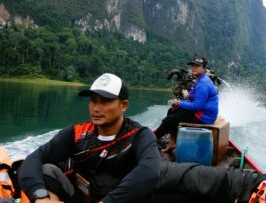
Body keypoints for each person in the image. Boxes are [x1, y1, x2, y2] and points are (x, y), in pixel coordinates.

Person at [18, 73, 161, 203]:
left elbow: (149, 171)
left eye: (105, 101)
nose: (96, 108)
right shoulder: (77, 133)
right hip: (83, 198)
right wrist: (41, 197)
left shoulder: (139, 135)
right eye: (93, 100)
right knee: (45, 170)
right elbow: (34, 159)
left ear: (123, 105)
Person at [154, 57, 219, 149]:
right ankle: (173, 142)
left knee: (169, 120)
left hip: (204, 116)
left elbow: (197, 106)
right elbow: (193, 100)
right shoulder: (200, 80)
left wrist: (180, 103)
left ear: (204, 68)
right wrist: (178, 103)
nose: (194, 68)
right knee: (171, 111)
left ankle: (151, 139)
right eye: (193, 65)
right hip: (201, 112)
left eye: (197, 66)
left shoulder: (203, 84)